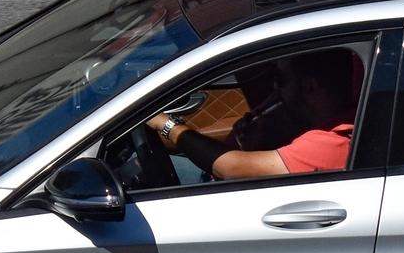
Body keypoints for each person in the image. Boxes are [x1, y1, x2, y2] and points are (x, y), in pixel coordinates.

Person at [146, 48, 358, 180]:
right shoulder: (333, 125)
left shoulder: (333, 141)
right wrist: (252, 147)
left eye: (281, 79)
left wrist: (166, 125)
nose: (275, 87)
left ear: (310, 87)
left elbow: (230, 168)